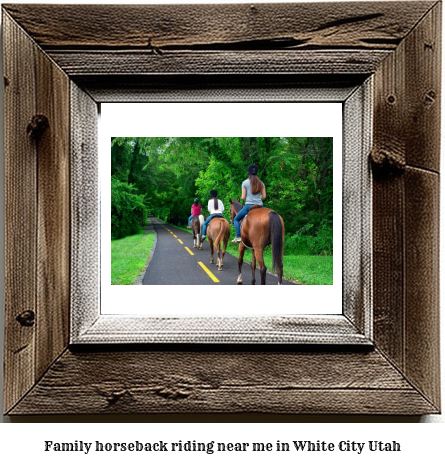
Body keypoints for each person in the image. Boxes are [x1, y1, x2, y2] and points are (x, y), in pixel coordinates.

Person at [232, 163, 266, 243]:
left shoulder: (245, 183)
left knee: (236, 219)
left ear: (248, 172)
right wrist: (258, 198)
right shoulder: (261, 183)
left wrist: (245, 197)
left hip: (249, 206)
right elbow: (264, 196)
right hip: (260, 206)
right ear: (257, 172)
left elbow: (243, 197)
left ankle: (238, 236)